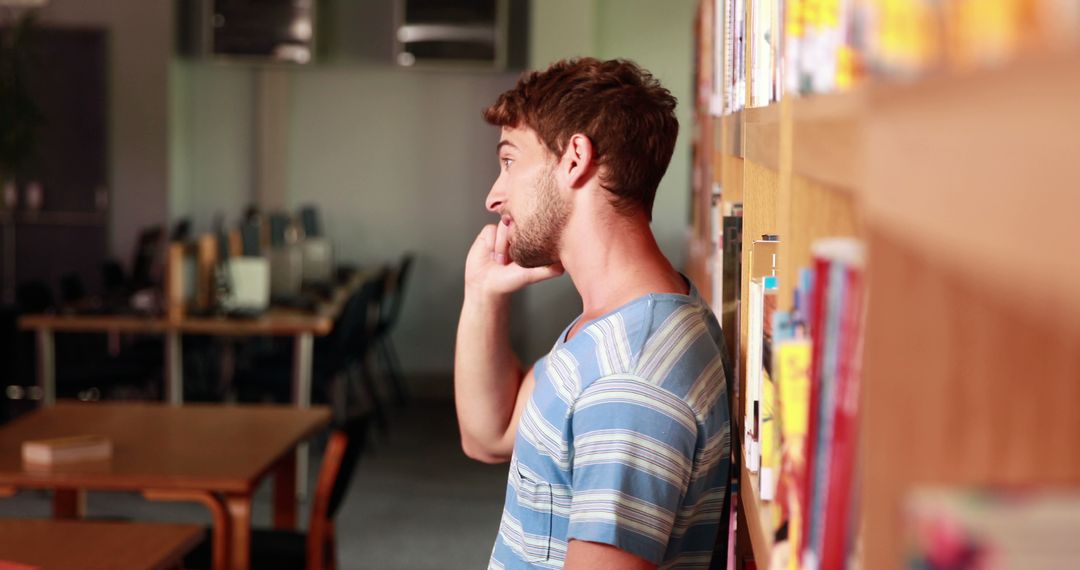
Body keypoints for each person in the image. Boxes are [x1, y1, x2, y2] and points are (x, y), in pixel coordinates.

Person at [455, 57, 731, 569]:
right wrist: (482, 294)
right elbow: (487, 436)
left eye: (510, 161)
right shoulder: (618, 323)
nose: (495, 195)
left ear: (575, 158)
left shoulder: (630, 380)